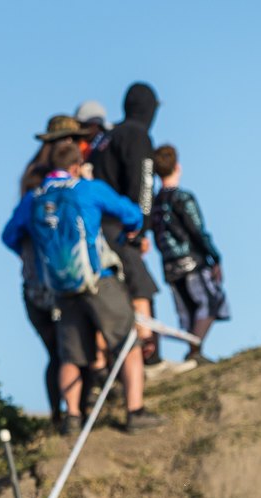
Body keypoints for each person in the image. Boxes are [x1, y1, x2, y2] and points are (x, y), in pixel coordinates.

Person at [2, 140, 165, 434]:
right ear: (76, 165)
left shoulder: (35, 198)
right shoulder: (87, 189)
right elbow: (130, 213)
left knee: (71, 356)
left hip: (60, 288)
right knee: (127, 342)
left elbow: (9, 235)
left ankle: (72, 418)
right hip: (96, 279)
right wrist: (130, 231)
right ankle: (135, 411)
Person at [16, 115, 95, 424]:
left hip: (40, 279)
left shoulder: (33, 179)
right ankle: (71, 413)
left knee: (61, 351)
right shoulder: (50, 184)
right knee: (70, 348)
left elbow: (11, 234)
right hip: (62, 278)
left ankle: (62, 415)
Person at [89, 83, 162, 365]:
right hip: (121, 227)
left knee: (109, 293)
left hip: (97, 228)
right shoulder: (137, 135)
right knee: (140, 287)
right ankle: (150, 357)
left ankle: (103, 364)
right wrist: (141, 229)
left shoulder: (106, 138)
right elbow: (143, 184)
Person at [151, 144, 228, 363]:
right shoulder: (182, 198)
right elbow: (197, 230)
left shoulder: (155, 204)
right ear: (177, 166)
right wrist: (214, 257)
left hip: (169, 264)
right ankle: (194, 351)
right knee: (211, 301)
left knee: (188, 310)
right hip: (192, 261)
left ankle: (194, 350)